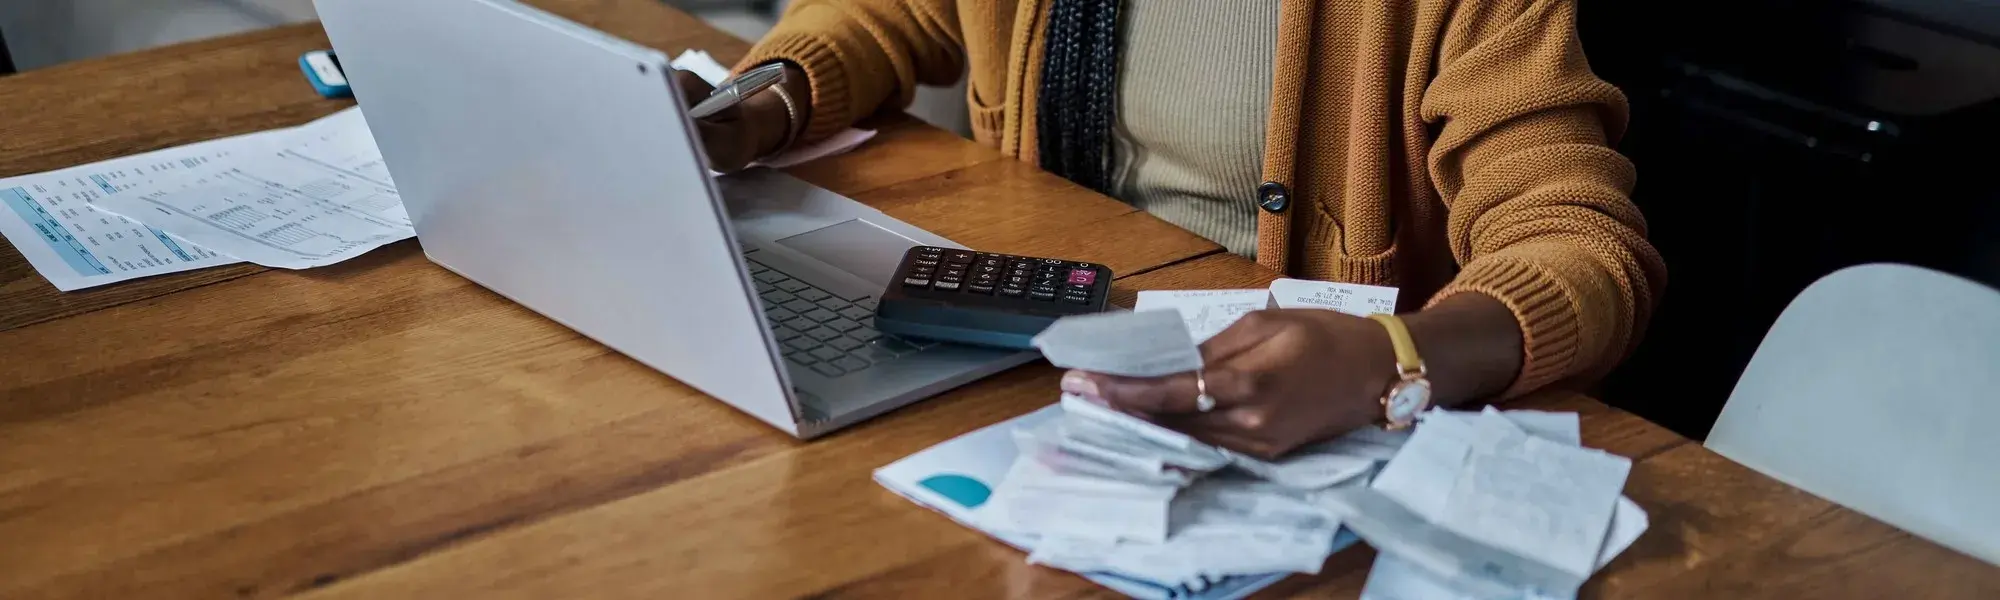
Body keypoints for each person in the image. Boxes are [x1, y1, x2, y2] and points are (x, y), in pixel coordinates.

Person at [677, 0, 1666, 459]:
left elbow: (1579, 246)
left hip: (1268, 419)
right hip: (1024, 369)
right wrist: (762, 101)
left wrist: (1392, 353)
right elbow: (893, 9)